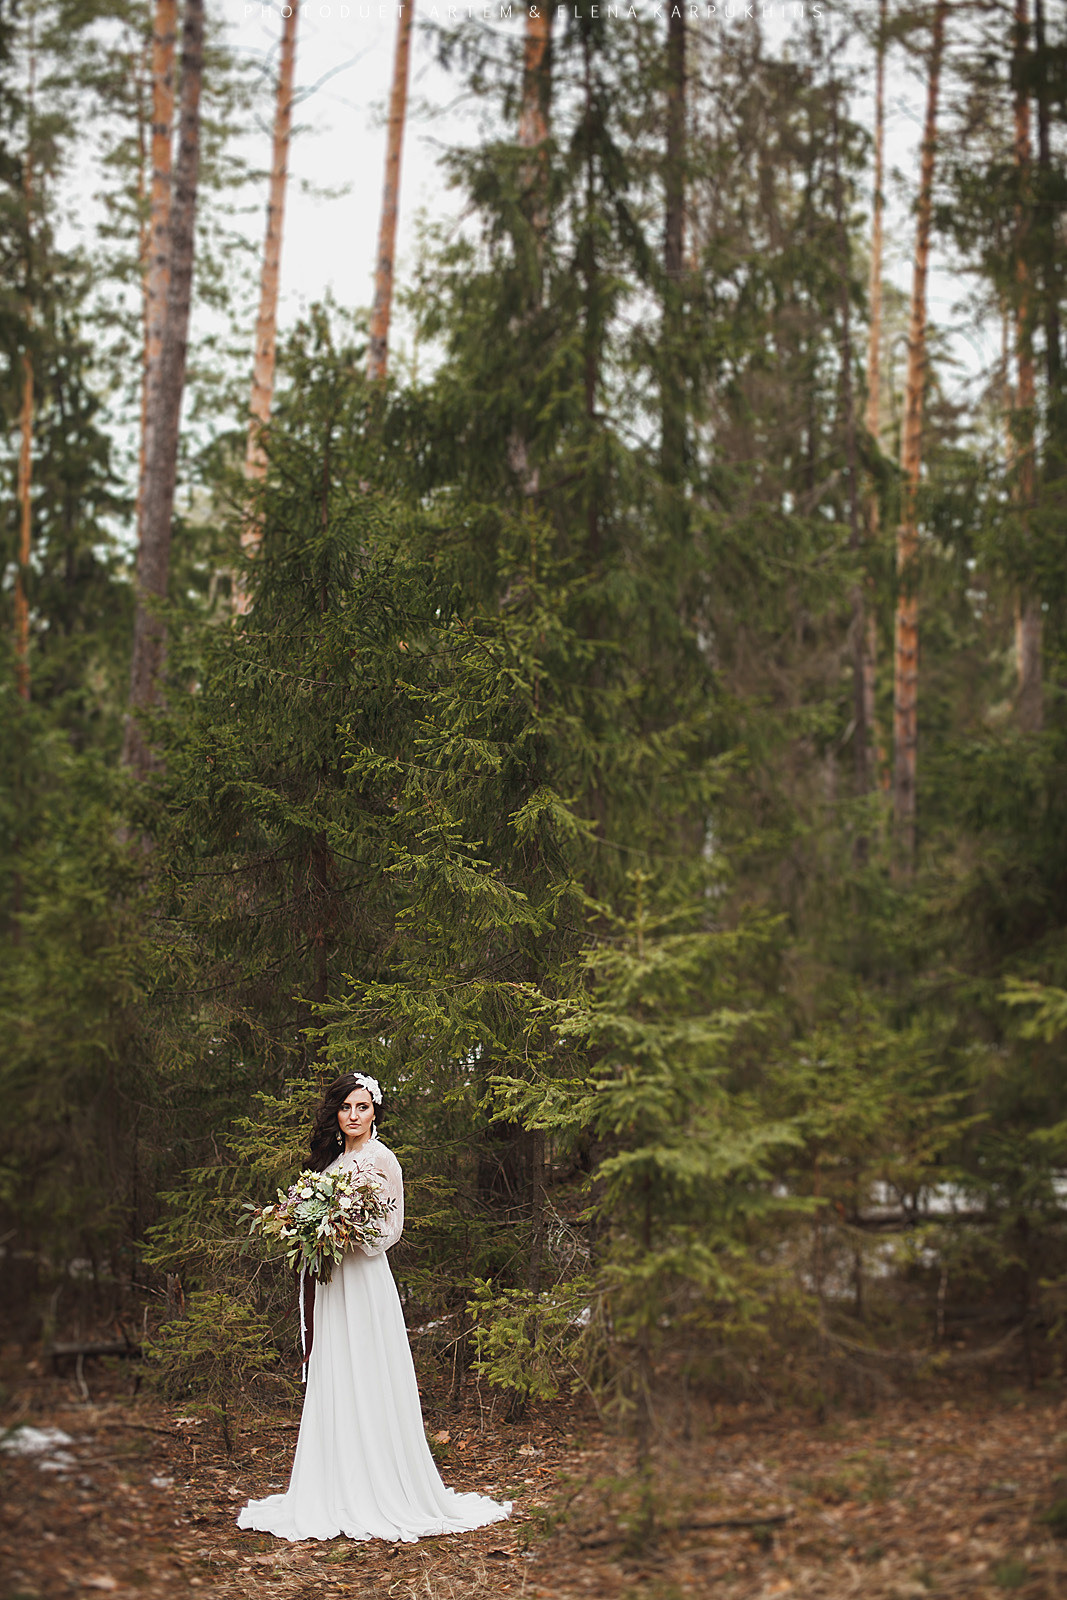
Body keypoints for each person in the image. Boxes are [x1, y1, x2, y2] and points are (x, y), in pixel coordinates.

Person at [237, 1071, 511, 1542]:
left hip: (363, 1278)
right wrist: (309, 1230)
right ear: (336, 1112)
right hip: (332, 1281)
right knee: (336, 1368)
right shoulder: (331, 1162)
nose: (353, 1115)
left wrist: (349, 1233)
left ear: (374, 1112)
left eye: (362, 1107)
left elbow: (391, 1229)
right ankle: (334, 1485)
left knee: (365, 1366)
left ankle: (380, 1486)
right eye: (346, 1107)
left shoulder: (382, 1159)